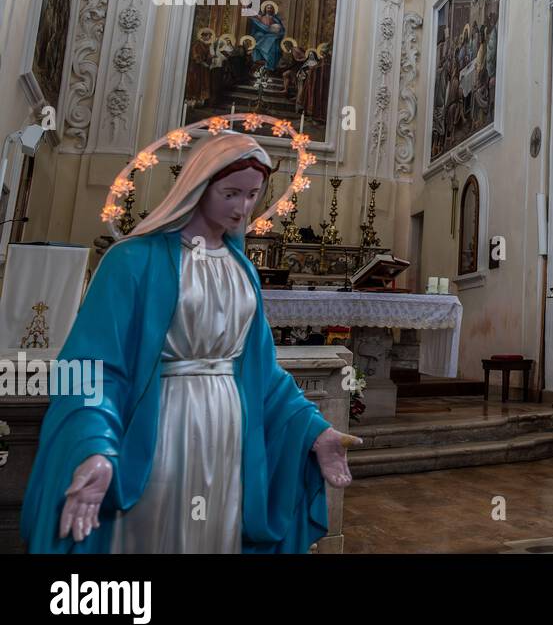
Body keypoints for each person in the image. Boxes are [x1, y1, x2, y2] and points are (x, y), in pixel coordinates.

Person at [21, 132, 357, 553]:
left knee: (216, 533)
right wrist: (94, 446)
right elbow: (91, 366)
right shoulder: (133, 260)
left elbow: (260, 372)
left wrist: (314, 429)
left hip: (228, 429)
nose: (243, 208)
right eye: (230, 193)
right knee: (155, 532)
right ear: (198, 187)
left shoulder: (241, 268)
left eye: (253, 195)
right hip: (162, 426)